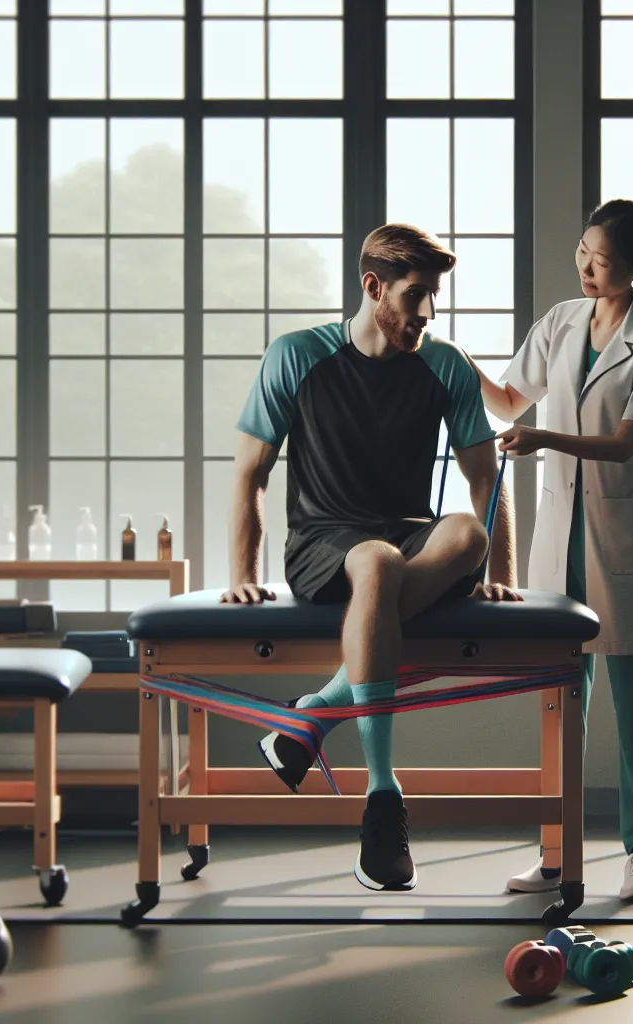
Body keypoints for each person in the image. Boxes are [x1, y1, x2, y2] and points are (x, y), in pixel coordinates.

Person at [223, 223, 521, 893]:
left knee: (464, 538)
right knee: (380, 564)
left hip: (404, 535)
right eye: (416, 295)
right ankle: (383, 796)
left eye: (434, 298)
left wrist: (502, 577)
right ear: (372, 287)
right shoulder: (296, 355)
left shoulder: (442, 363)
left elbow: (485, 482)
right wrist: (242, 575)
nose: (428, 313)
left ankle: (315, 715)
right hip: (324, 542)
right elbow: (250, 473)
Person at [474, 198, 633, 902]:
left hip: (627, 539)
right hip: (561, 532)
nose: (587, 266)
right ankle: (555, 850)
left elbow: (629, 443)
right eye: (583, 251)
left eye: (602, 258)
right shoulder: (562, 321)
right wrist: (449, 357)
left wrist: (545, 440)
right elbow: (509, 400)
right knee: (560, 700)